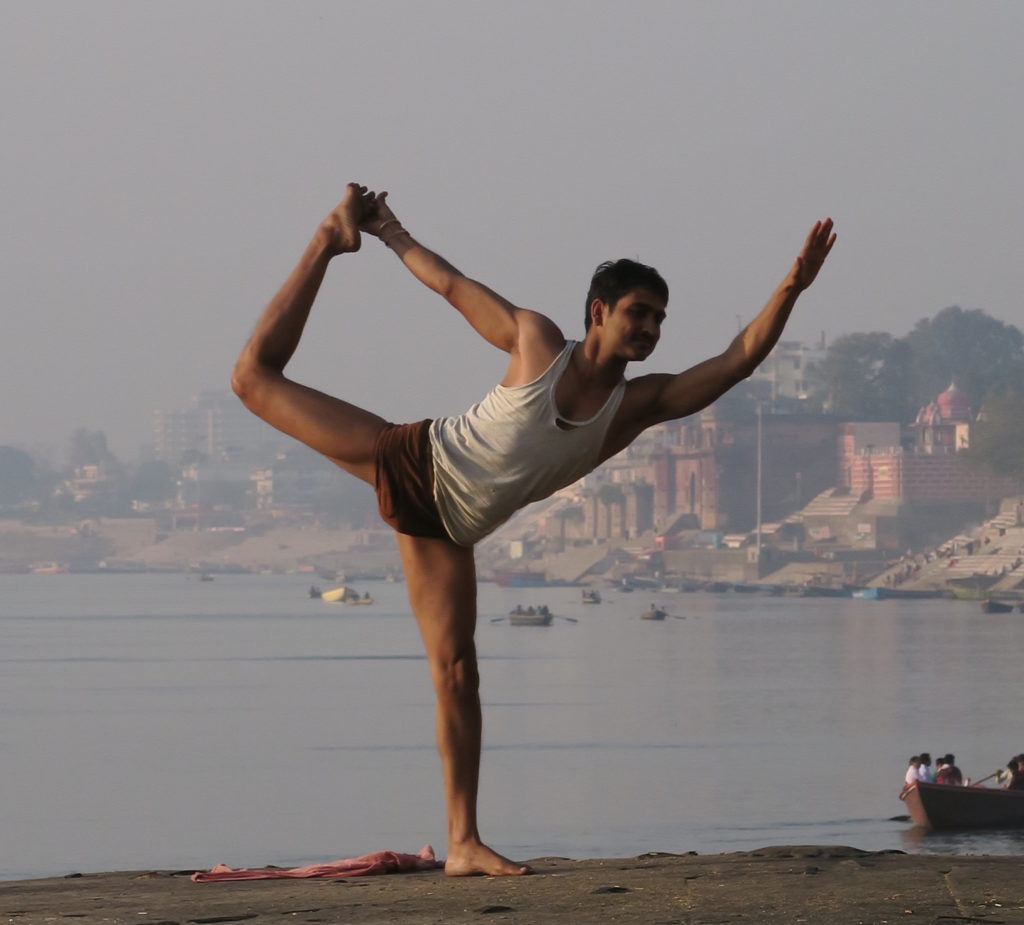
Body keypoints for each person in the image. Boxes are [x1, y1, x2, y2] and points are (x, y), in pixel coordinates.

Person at [231, 183, 835, 876]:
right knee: (251, 378)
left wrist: (792, 286)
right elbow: (453, 286)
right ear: (598, 312)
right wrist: (390, 231)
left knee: (458, 673)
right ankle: (324, 242)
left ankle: (463, 842)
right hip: (411, 458)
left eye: (660, 320)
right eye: (639, 313)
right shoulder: (538, 341)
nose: (650, 329)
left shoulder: (636, 405)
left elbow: (738, 359)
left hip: (448, 530)